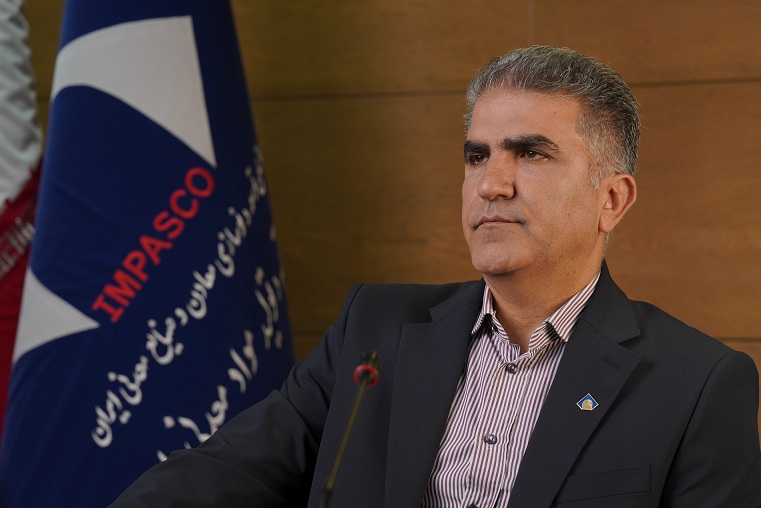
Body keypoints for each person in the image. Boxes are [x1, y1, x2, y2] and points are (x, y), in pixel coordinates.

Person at [110, 46, 761, 507]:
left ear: (611, 200)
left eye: (531, 154)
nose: (491, 184)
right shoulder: (375, 330)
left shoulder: (697, 384)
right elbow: (227, 471)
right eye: (476, 156)